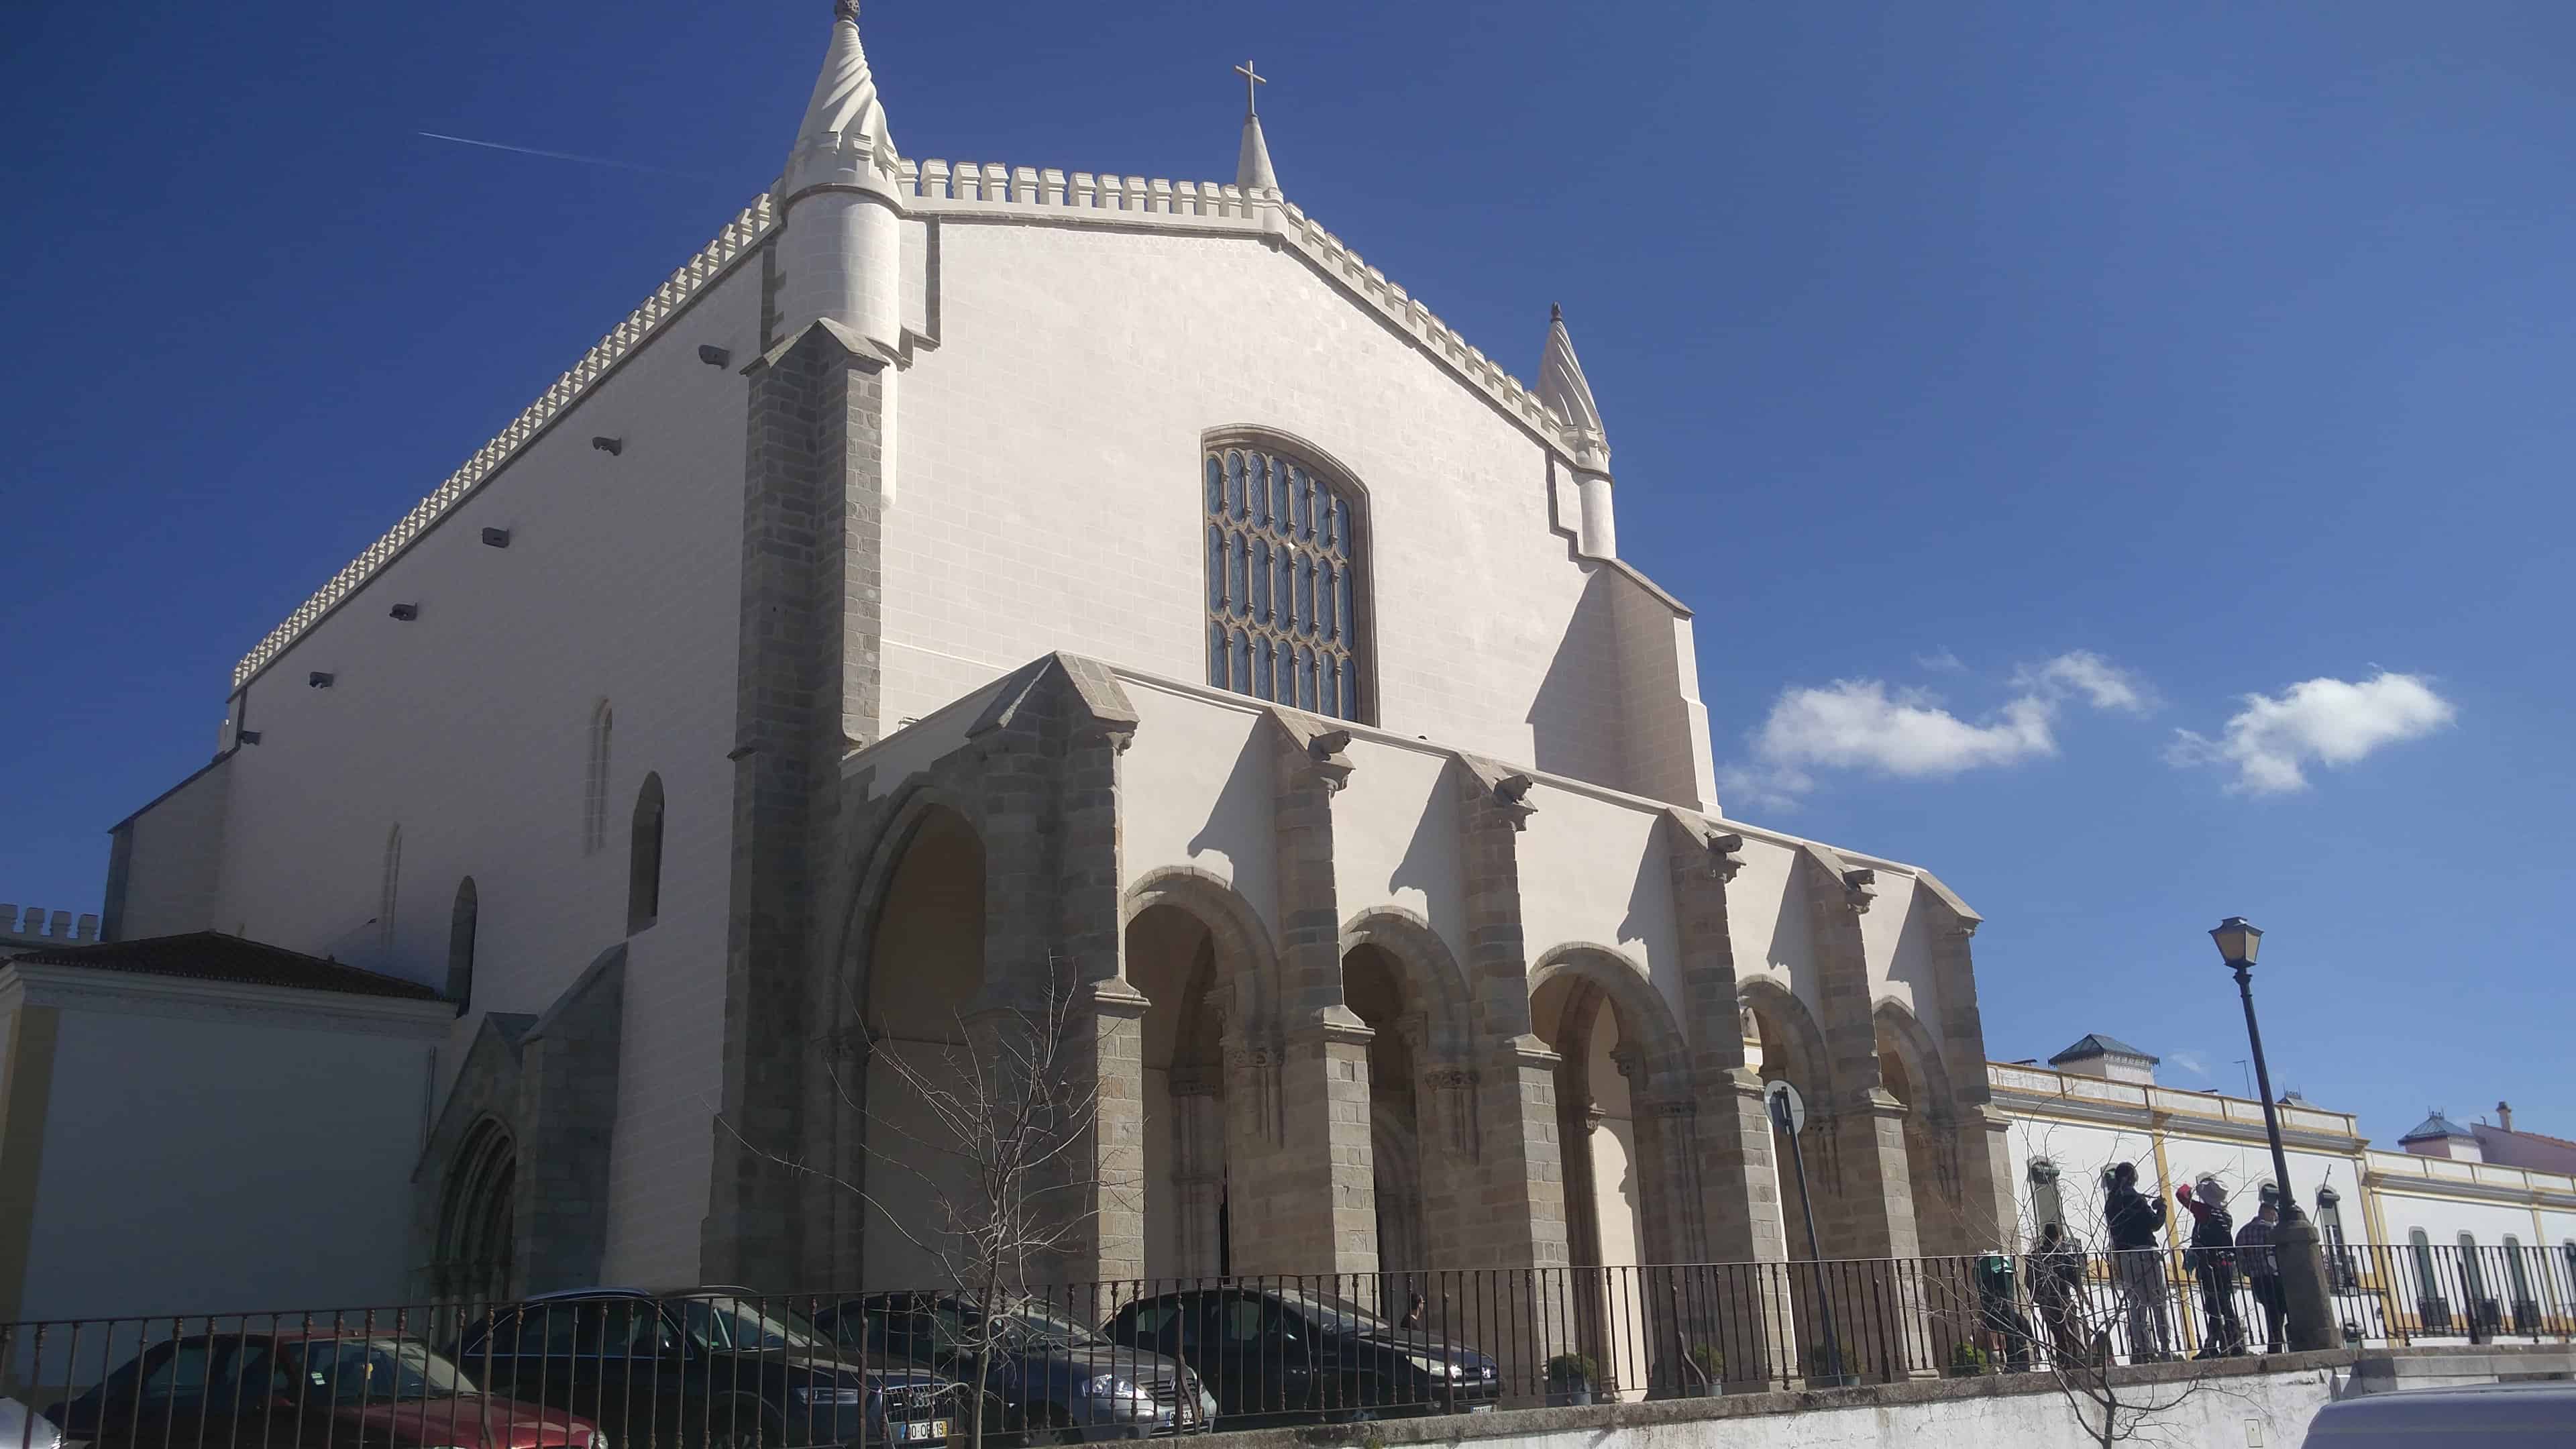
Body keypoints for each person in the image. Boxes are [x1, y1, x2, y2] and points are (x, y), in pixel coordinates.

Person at [2104, 1162, 2174, 1362]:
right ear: (2130, 1177)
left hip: (2125, 1257)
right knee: (2158, 1302)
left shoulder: (2111, 1203)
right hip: (2146, 1253)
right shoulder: (2135, 1198)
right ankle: (2165, 1348)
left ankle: (2143, 1348)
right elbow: (2154, 1224)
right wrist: (2162, 1209)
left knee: (2136, 1305)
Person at [2177, 1179, 2248, 1357]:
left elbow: (2181, 1195)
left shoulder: (2206, 1212)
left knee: (2216, 1305)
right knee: (2222, 1304)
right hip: (2226, 1265)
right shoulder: (2226, 1216)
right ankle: (2222, 1343)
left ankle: (2227, 1342)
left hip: (2211, 1265)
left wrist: (2190, 1188)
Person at [2029, 1222, 2094, 1368]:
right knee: (2070, 1336)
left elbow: (2030, 1282)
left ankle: (2064, 1365)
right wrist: (2087, 1301)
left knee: (2060, 1337)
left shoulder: (2035, 1257)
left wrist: (2036, 1300)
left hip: (2047, 1303)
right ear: (2059, 1236)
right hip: (2064, 1302)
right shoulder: (2063, 1257)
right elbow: (2076, 1283)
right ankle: (2072, 1365)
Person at [2237, 1197, 2286, 1354]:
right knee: (2280, 1312)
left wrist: (2249, 1271)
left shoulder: (2243, 1232)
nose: (2276, 1217)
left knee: (2271, 1312)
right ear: (2269, 1213)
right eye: (2275, 1213)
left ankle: (2275, 1346)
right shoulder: (2271, 1231)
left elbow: (2240, 1258)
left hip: (2256, 1279)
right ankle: (2277, 1346)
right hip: (2274, 1278)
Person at [1976, 1249, 2035, 1371]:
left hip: (2011, 1357)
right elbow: (2031, 1336)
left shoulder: (1992, 1320)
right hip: (2019, 1356)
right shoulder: (2015, 1317)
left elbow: (1978, 1342)